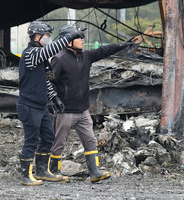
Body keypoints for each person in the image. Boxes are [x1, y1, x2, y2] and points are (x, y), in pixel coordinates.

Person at [50, 24, 135, 183]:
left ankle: (95, 172)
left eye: (81, 37)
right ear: (67, 41)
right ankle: (53, 172)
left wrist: (120, 45)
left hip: (82, 110)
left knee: (90, 140)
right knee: (59, 142)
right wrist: (54, 99)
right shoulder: (59, 59)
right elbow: (49, 81)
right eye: (77, 37)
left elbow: (102, 51)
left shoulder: (85, 56)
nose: (82, 39)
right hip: (65, 111)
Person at [16, 20, 84, 186]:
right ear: (37, 36)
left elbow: (45, 81)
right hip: (29, 105)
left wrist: (54, 97)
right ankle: (26, 175)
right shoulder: (31, 53)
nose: (48, 39)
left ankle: (42, 171)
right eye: (46, 36)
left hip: (40, 105)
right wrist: (69, 36)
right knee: (31, 140)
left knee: (48, 137)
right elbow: (51, 49)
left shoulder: (40, 55)